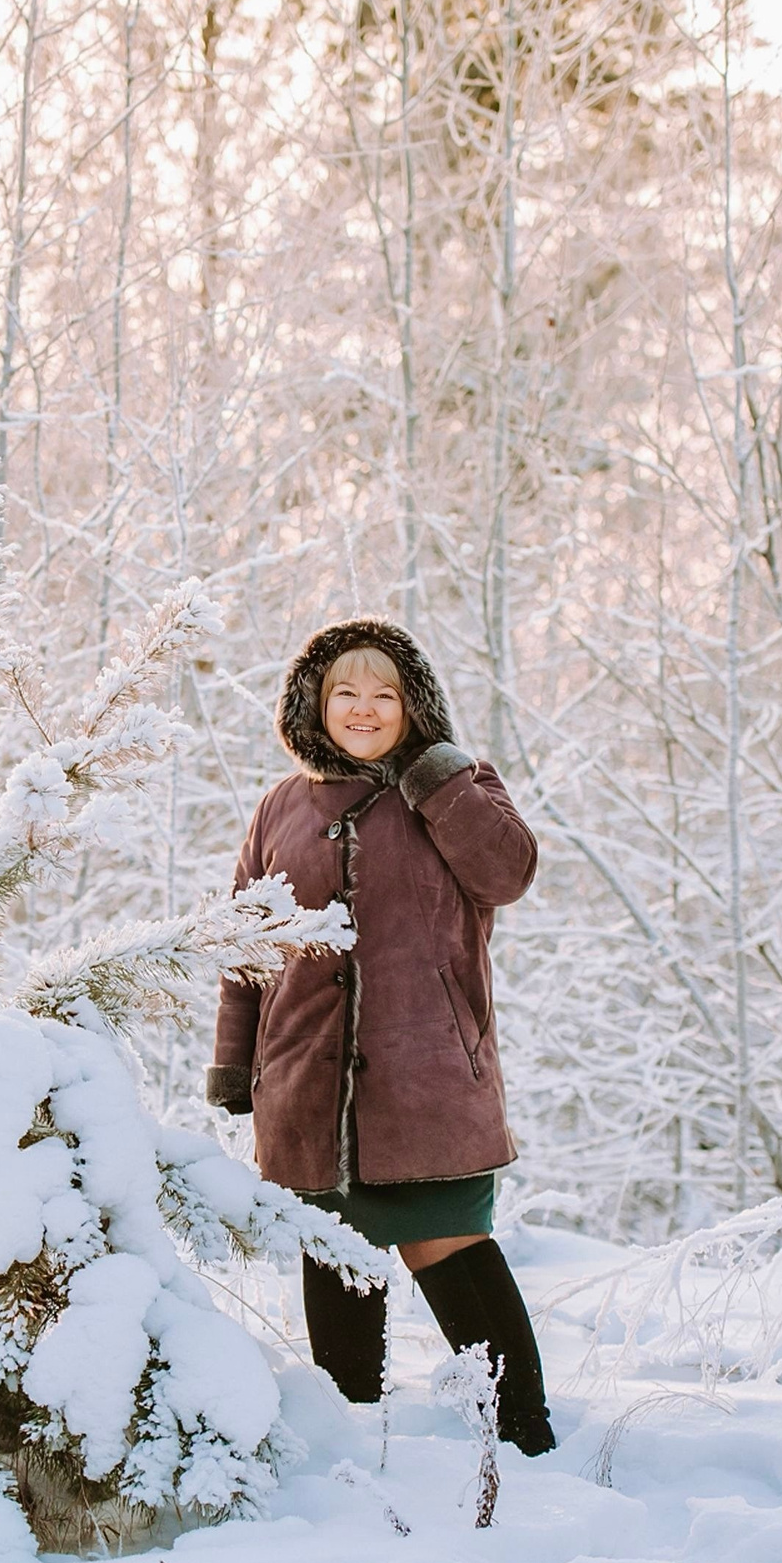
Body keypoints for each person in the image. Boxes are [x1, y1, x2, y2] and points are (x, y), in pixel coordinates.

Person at [206, 618, 555, 1454]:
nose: (364, 709)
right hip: (303, 1089)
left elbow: (508, 874)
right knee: (335, 1265)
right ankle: (355, 1455)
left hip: (428, 1083)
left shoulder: (459, 783)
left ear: (413, 706)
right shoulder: (279, 807)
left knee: (455, 1251)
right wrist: (234, 1061)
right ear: (313, 705)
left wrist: (435, 781)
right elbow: (243, 945)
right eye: (345, 694)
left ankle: (526, 1444)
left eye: (385, 695)